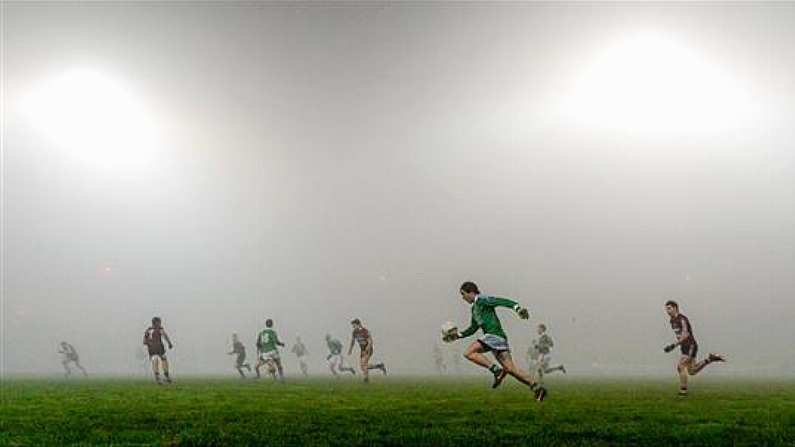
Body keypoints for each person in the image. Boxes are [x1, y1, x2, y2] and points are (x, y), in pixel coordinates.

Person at [449, 281, 546, 401]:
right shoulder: (474, 308)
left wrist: (517, 308)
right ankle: (537, 387)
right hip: (497, 338)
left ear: (471, 292)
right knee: (511, 369)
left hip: (493, 335)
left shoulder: (482, 300)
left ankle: (496, 371)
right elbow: (473, 328)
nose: (462, 298)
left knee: (468, 353)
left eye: (463, 294)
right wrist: (458, 335)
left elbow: (500, 301)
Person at [664, 300, 726, 397]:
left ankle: (683, 391)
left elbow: (685, 334)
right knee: (692, 371)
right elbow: (680, 335)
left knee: (680, 366)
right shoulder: (672, 321)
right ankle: (710, 359)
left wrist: (673, 345)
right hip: (684, 347)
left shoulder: (682, 319)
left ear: (675, 308)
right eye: (666, 309)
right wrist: (677, 345)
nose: (667, 311)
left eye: (669, 308)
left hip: (690, 345)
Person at [348, 319, 387, 383]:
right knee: (362, 366)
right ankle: (379, 366)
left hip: (368, 349)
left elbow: (370, 341)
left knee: (364, 364)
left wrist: (367, 349)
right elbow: (352, 341)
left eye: (354, 325)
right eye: (353, 326)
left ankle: (366, 379)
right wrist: (350, 349)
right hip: (362, 350)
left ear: (358, 324)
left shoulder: (365, 331)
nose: (353, 327)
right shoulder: (354, 332)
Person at [143, 317, 173, 384]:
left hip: (151, 349)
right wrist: (169, 343)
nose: (160, 323)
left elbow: (144, 342)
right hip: (159, 347)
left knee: (155, 360)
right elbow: (165, 335)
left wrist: (149, 343)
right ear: (156, 322)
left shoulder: (148, 330)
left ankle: (157, 377)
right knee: (164, 359)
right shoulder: (159, 329)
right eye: (159, 322)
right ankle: (166, 376)